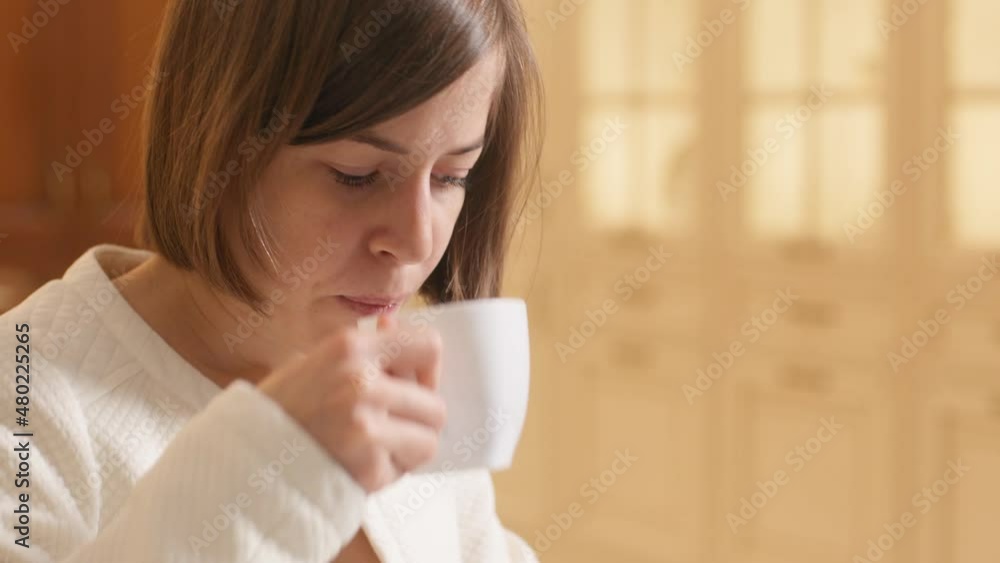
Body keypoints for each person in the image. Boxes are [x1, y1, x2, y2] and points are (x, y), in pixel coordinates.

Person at [0, 0, 543, 561]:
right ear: (215, 137)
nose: (418, 241)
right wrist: (276, 468)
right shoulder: (22, 396)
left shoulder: (411, 382)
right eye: (355, 176)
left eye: (452, 176)